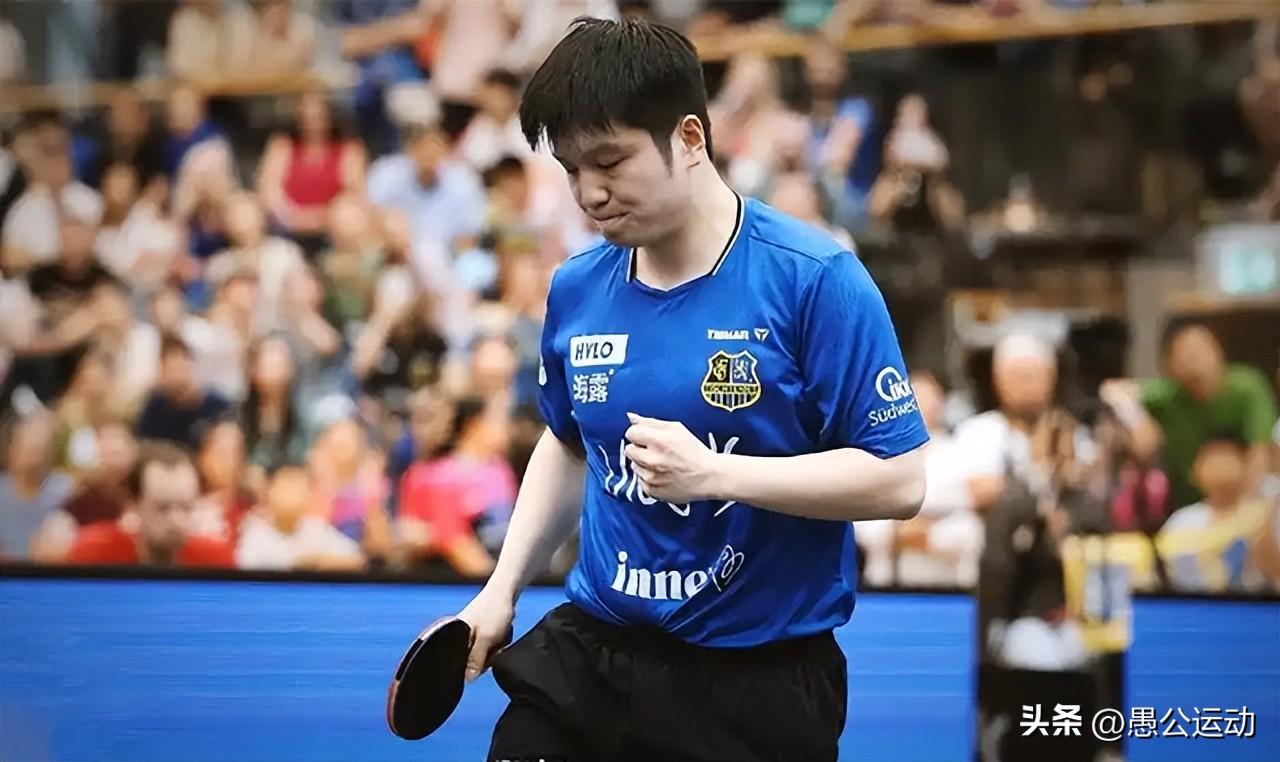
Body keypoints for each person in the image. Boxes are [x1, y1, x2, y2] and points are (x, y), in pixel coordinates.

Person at [452, 19, 928, 762]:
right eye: (572, 170)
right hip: (595, 653)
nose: (590, 193)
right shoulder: (578, 287)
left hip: (756, 680)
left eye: (610, 161)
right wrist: (500, 588)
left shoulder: (815, 280)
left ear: (689, 138)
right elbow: (569, 441)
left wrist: (716, 475)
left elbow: (900, 479)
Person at [64, 441, 235, 567]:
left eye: (186, 508)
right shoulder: (93, 554)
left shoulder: (216, 560)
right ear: (133, 504)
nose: (176, 521)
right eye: (163, 508)